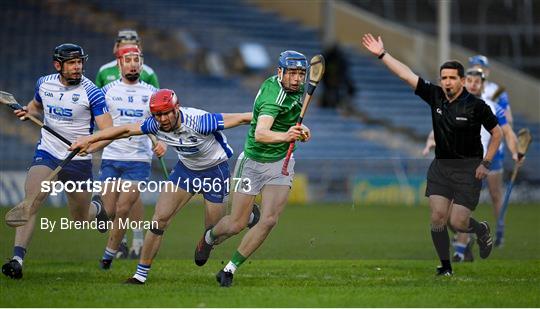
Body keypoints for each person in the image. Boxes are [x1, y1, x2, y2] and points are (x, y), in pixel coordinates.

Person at [69, 89, 260, 284]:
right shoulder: (155, 124)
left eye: (167, 112)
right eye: (158, 114)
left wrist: (274, 119)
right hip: (186, 170)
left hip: (215, 171)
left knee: (214, 235)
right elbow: (125, 130)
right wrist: (88, 139)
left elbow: (242, 119)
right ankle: (140, 275)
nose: (163, 119)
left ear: (176, 108)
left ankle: (246, 216)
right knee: (158, 221)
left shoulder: (201, 121)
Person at [362, 33, 502, 276]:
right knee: (438, 217)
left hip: (469, 169)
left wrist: (486, 163)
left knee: (457, 222)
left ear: (462, 81)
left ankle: (480, 230)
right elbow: (406, 74)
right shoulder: (435, 96)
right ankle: (445, 266)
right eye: (443, 78)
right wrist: (383, 55)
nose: (447, 82)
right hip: (441, 167)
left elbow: (497, 134)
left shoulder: (477, 106)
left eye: (452, 78)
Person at [192, 50, 312, 287]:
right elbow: (261, 133)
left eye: (301, 74)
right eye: (292, 73)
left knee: (268, 220)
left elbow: (288, 121)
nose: (297, 79)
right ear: (280, 72)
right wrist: (288, 134)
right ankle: (209, 237)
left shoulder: (295, 92)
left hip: (280, 164)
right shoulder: (273, 96)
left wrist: (301, 129)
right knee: (236, 223)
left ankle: (230, 268)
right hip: (253, 163)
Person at [1, 43, 113, 279]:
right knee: (31, 201)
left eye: (80, 62)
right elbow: (36, 106)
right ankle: (17, 260)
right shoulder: (44, 83)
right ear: (58, 65)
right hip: (48, 152)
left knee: (80, 218)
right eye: (72, 63)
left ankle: (98, 207)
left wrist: (90, 146)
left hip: (78, 159)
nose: (78, 67)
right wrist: (27, 112)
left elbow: (108, 131)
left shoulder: (92, 92)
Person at [423, 68, 522, 261]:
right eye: (469, 80)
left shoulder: (492, 107)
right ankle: (467, 243)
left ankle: (463, 248)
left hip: (487, 162)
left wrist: (514, 151)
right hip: (463, 165)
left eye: (477, 81)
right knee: (451, 216)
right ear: (464, 82)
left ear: (483, 84)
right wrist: (430, 141)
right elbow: (440, 127)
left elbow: (507, 132)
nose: (473, 84)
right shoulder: (451, 103)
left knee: (493, 196)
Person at [95, 44, 164, 269]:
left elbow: (157, 126)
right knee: (110, 210)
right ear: (119, 64)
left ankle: (107, 255)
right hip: (112, 157)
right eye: (128, 60)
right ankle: (102, 209)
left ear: (141, 63)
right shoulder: (107, 91)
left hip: (139, 160)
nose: (133, 64)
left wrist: (159, 142)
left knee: (124, 208)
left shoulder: (151, 93)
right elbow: (96, 120)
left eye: (137, 60)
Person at [469, 55, 513, 127]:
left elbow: (508, 118)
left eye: (482, 68)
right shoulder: (464, 89)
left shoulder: (497, 91)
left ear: (487, 71)